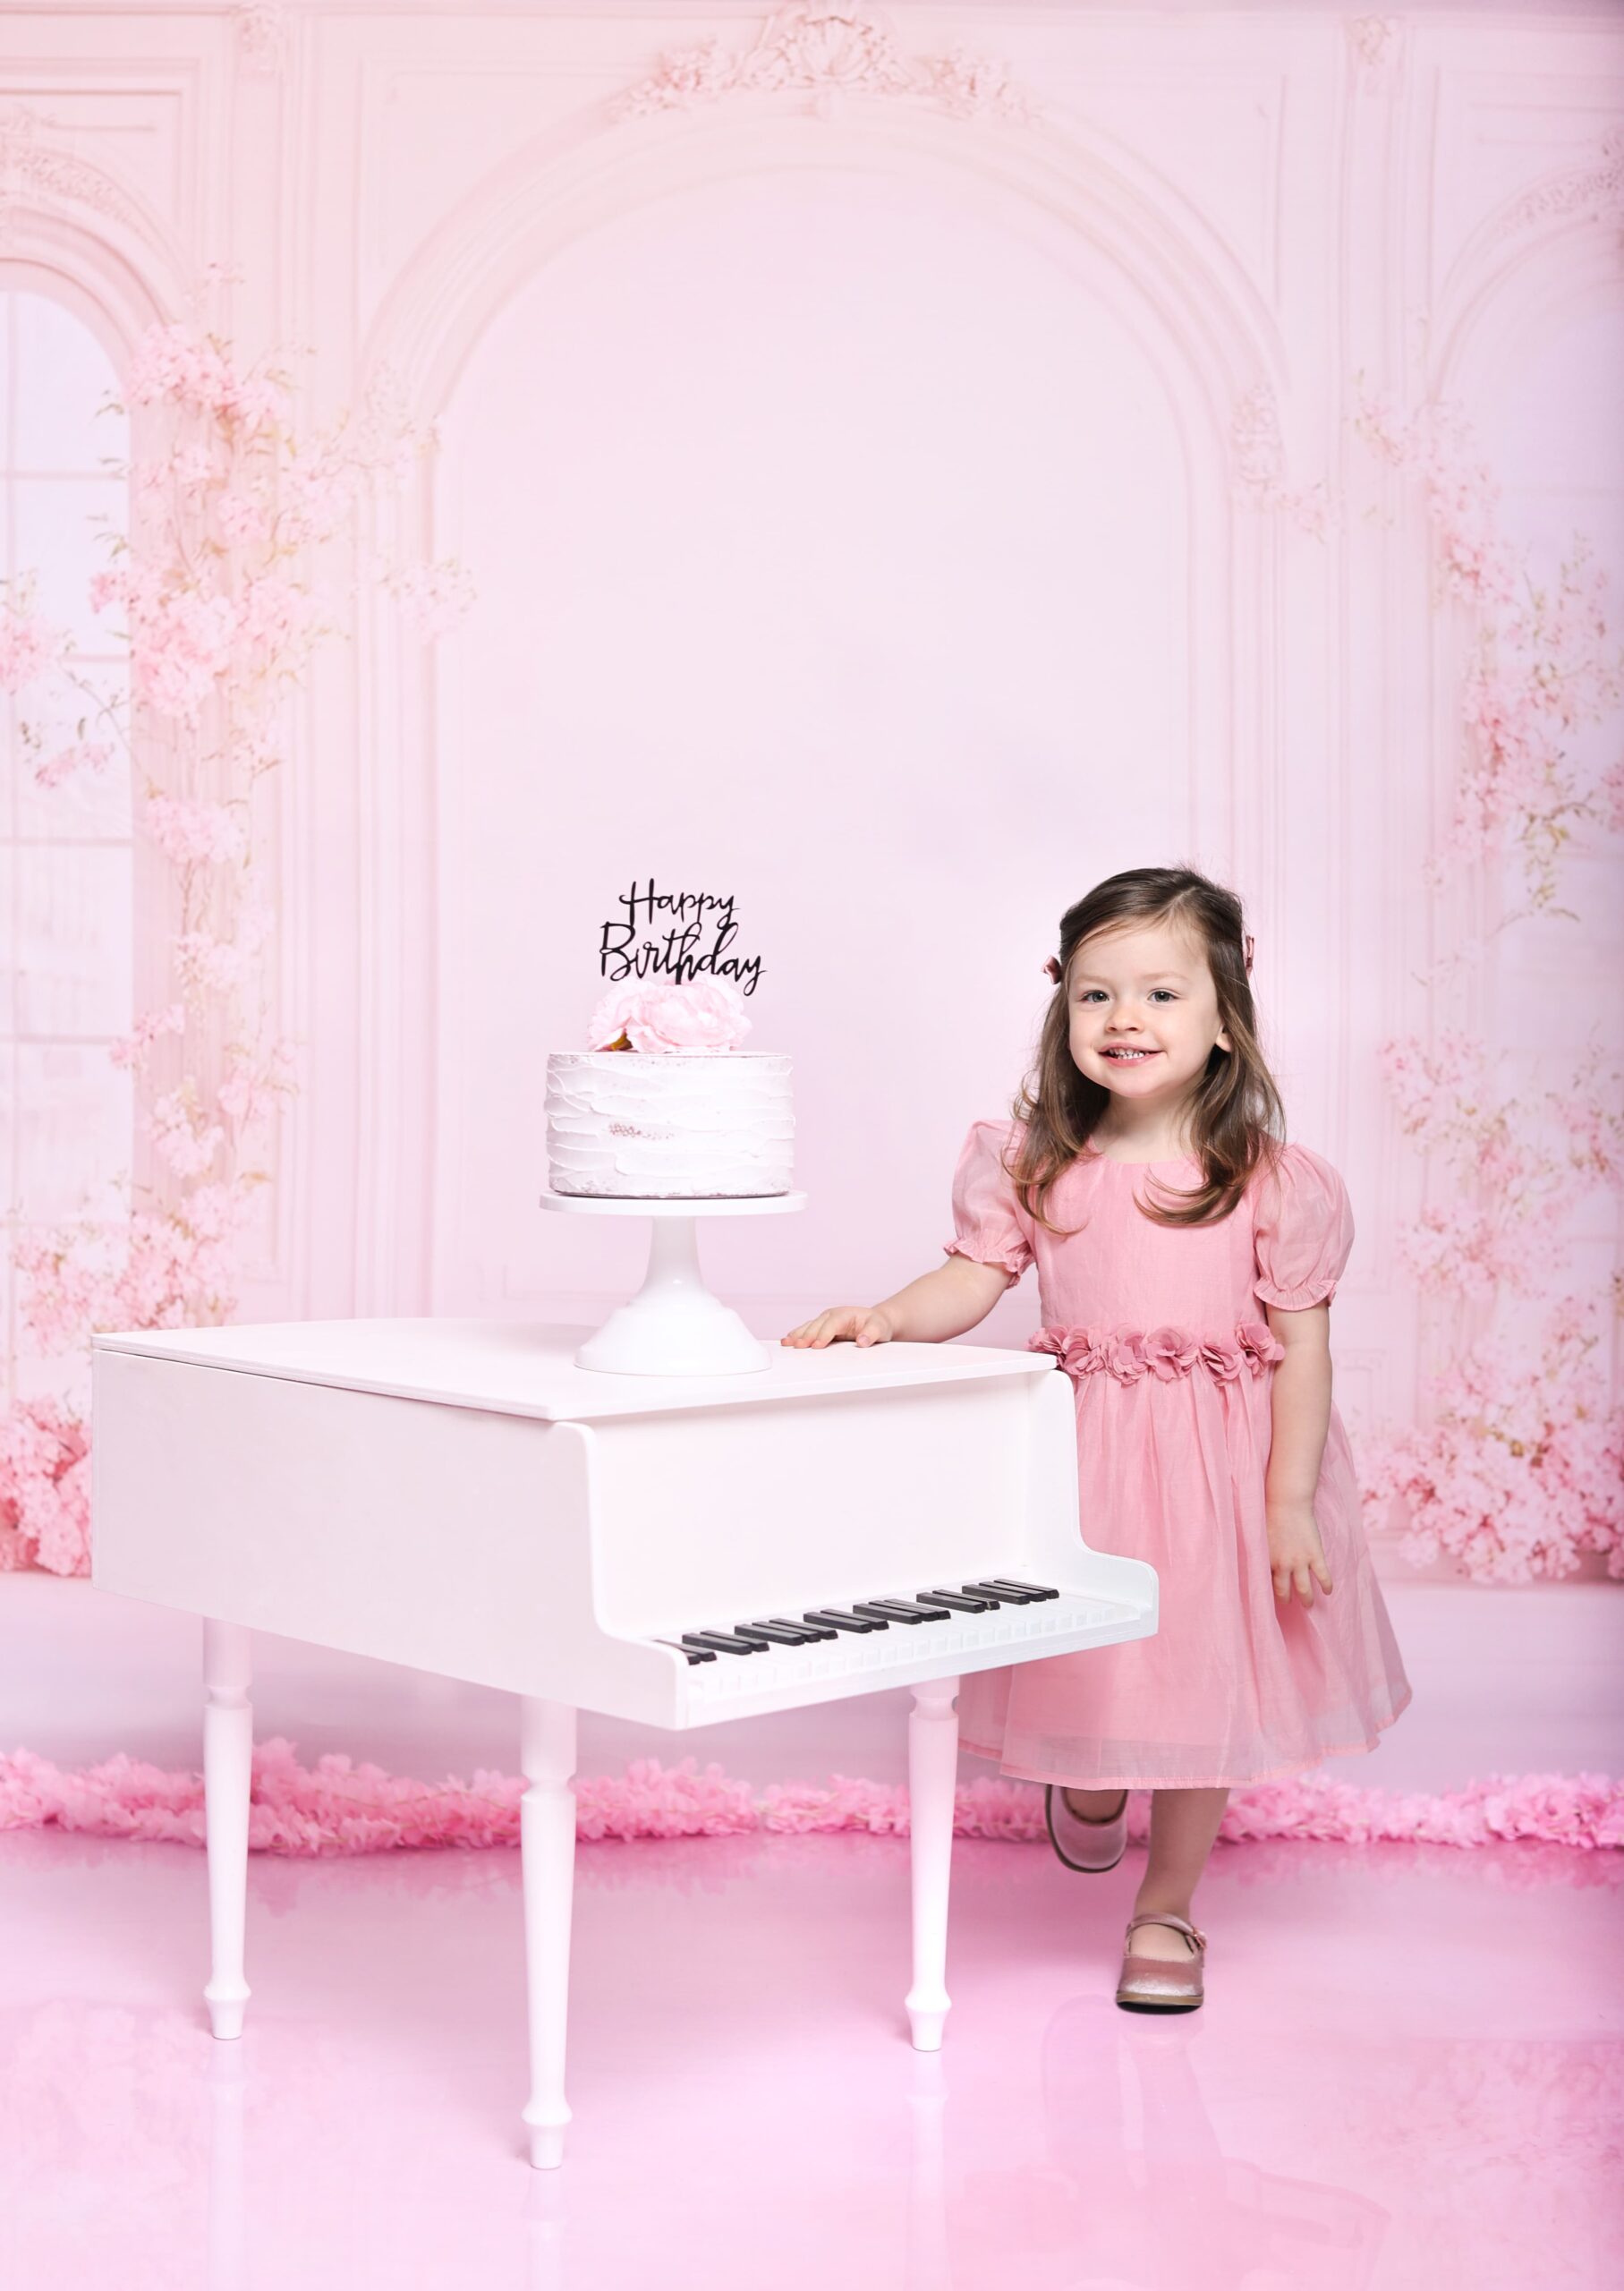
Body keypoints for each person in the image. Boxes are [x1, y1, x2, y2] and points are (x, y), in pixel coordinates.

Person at [782, 866, 1411, 2012]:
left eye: (1164, 995)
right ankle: (1090, 1780)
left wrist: (1287, 1499)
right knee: (1092, 1651)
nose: (1125, 1019)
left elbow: (1303, 1351)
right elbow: (972, 1278)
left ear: (1227, 1021)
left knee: (1206, 1678)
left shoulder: (1268, 1182)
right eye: (1096, 994)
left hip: (1224, 1474)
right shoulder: (1039, 1162)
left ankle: (1166, 1906)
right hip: (1085, 1461)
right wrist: (885, 1315)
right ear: (1060, 1006)